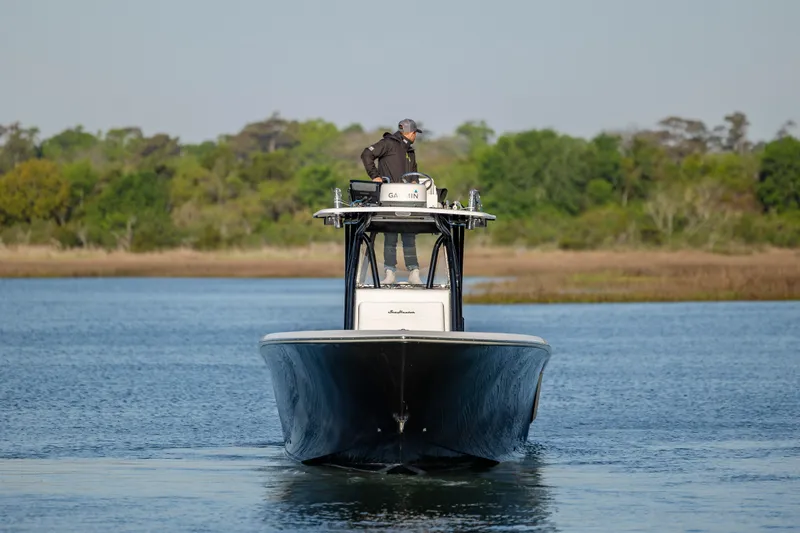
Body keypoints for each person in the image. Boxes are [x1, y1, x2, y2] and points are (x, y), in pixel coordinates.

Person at [360, 118, 424, 285]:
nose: (416, 136)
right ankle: (390, 273)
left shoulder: (410, 152)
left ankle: (414, 272)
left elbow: (414, 174)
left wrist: (415, 183)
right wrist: (375, 176)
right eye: (415, 133)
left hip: (409, 200)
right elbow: (367, 154)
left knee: (409, 235)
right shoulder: (388, 143)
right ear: (412, 133)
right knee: (390, 235)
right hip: (389, 199)